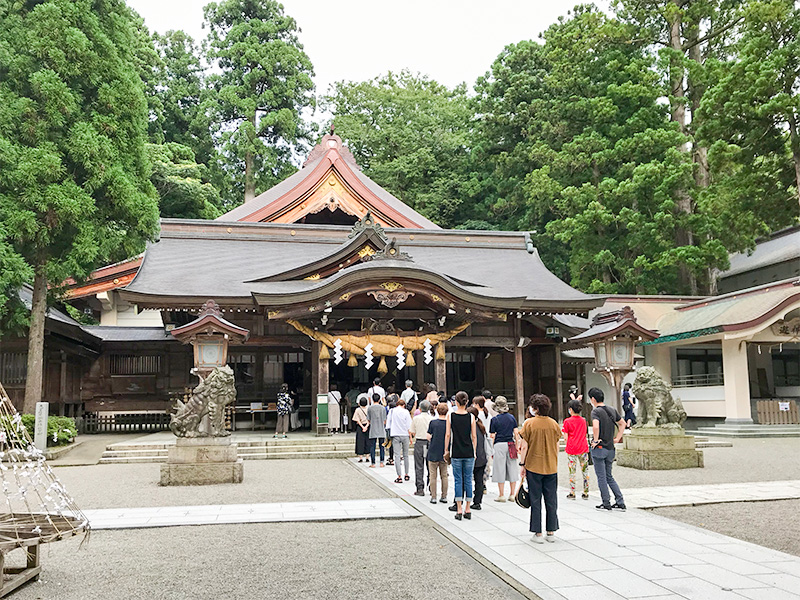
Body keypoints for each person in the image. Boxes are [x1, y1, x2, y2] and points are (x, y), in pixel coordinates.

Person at [519, 394, 561, 543]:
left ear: (535, 408)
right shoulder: (554, 424)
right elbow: (556, 445)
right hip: (551, 466)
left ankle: (537, 533)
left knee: (535, 499)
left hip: (534, 466)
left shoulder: (529, 424)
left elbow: (524, 446)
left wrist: (522, 464)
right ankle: (551, 531)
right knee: (551, 500)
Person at [588, 388, 627, 511]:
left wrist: (595, 440)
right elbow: (623, 423)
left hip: (599, 448)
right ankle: (620, 501)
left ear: (593, 399)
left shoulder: (596, 412)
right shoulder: (612, 410)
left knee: (601, 477)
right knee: (609, 476)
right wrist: (617, 438)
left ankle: (606, 502)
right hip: (610, 447)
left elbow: (595, 426)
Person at [445, 391, 476, 520]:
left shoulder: (451, 416)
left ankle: (459, 508)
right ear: (467, 402)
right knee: (468, 479)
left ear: (456, 402)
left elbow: (448, 434)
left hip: (456, 451)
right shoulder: (471, 417)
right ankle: (468, 508)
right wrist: (474, 450)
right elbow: (474, 436)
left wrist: (446, 449)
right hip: (469, 451)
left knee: (458, 480)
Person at [489, 396, 519, 502]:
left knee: (499, 468)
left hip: (499, 444)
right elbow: (516, 433)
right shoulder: (512, 418)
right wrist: (517, 445)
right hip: (511, 443)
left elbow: (492, 435)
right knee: (512, 468)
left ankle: (501, 495)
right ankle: (512, 494)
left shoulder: (494, 420)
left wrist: (492, 449)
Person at [562, 399, 590, 500]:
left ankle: (572, 492)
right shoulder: (584, 420)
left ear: (570, 410)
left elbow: (565, 437)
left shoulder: (567, 421)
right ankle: (586, 491)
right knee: (585, 470)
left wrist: (567, 444)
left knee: (572, 471)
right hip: (583, 447)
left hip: (572, 448)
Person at [466, 405, 488, 510]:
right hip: (482, 457)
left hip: (471, 457)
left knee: (467, 480)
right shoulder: (481, 426)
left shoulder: (469, 427)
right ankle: (477, 502)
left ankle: (465, 501)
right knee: (479, 481)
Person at [409, 400, 432, 496]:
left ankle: (420, 488)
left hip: (419, 442)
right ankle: (431, 486)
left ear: (419, 408)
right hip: (429, 443)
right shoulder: (432, 418)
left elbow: (412, 431)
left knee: (419, 466)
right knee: (430, 466)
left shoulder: (416, 418)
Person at [390, 397, 413, 483]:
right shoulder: (406, 412)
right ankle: (406, 474)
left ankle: (399, 476)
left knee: (397, 455)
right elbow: (408, 426)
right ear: (404, 405)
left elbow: (389, 423)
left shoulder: (393, 411)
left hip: (395, 434)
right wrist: (410, 437)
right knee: (406, 455)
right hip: (405, 434)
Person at [367, 393, 387, 468]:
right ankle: (381, 462)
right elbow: (385, 420)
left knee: (372, 446)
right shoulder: (382, 408)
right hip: (381, 428)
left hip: (373, 428)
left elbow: (368, 419)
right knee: (382, 446)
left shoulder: (370, 408)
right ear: (379, 399)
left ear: (372, 399)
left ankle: (373, 463)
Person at [353, 397, 370, 463]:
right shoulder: (369, 409)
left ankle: (360, 457)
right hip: (367, 426)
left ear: (359, 403)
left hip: (360, 427)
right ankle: (367, 457)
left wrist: (362, 427)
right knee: (368, 441)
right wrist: (366, 426)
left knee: (360, 441)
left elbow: (357, 419)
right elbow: (370, 419)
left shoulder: (358, 410)